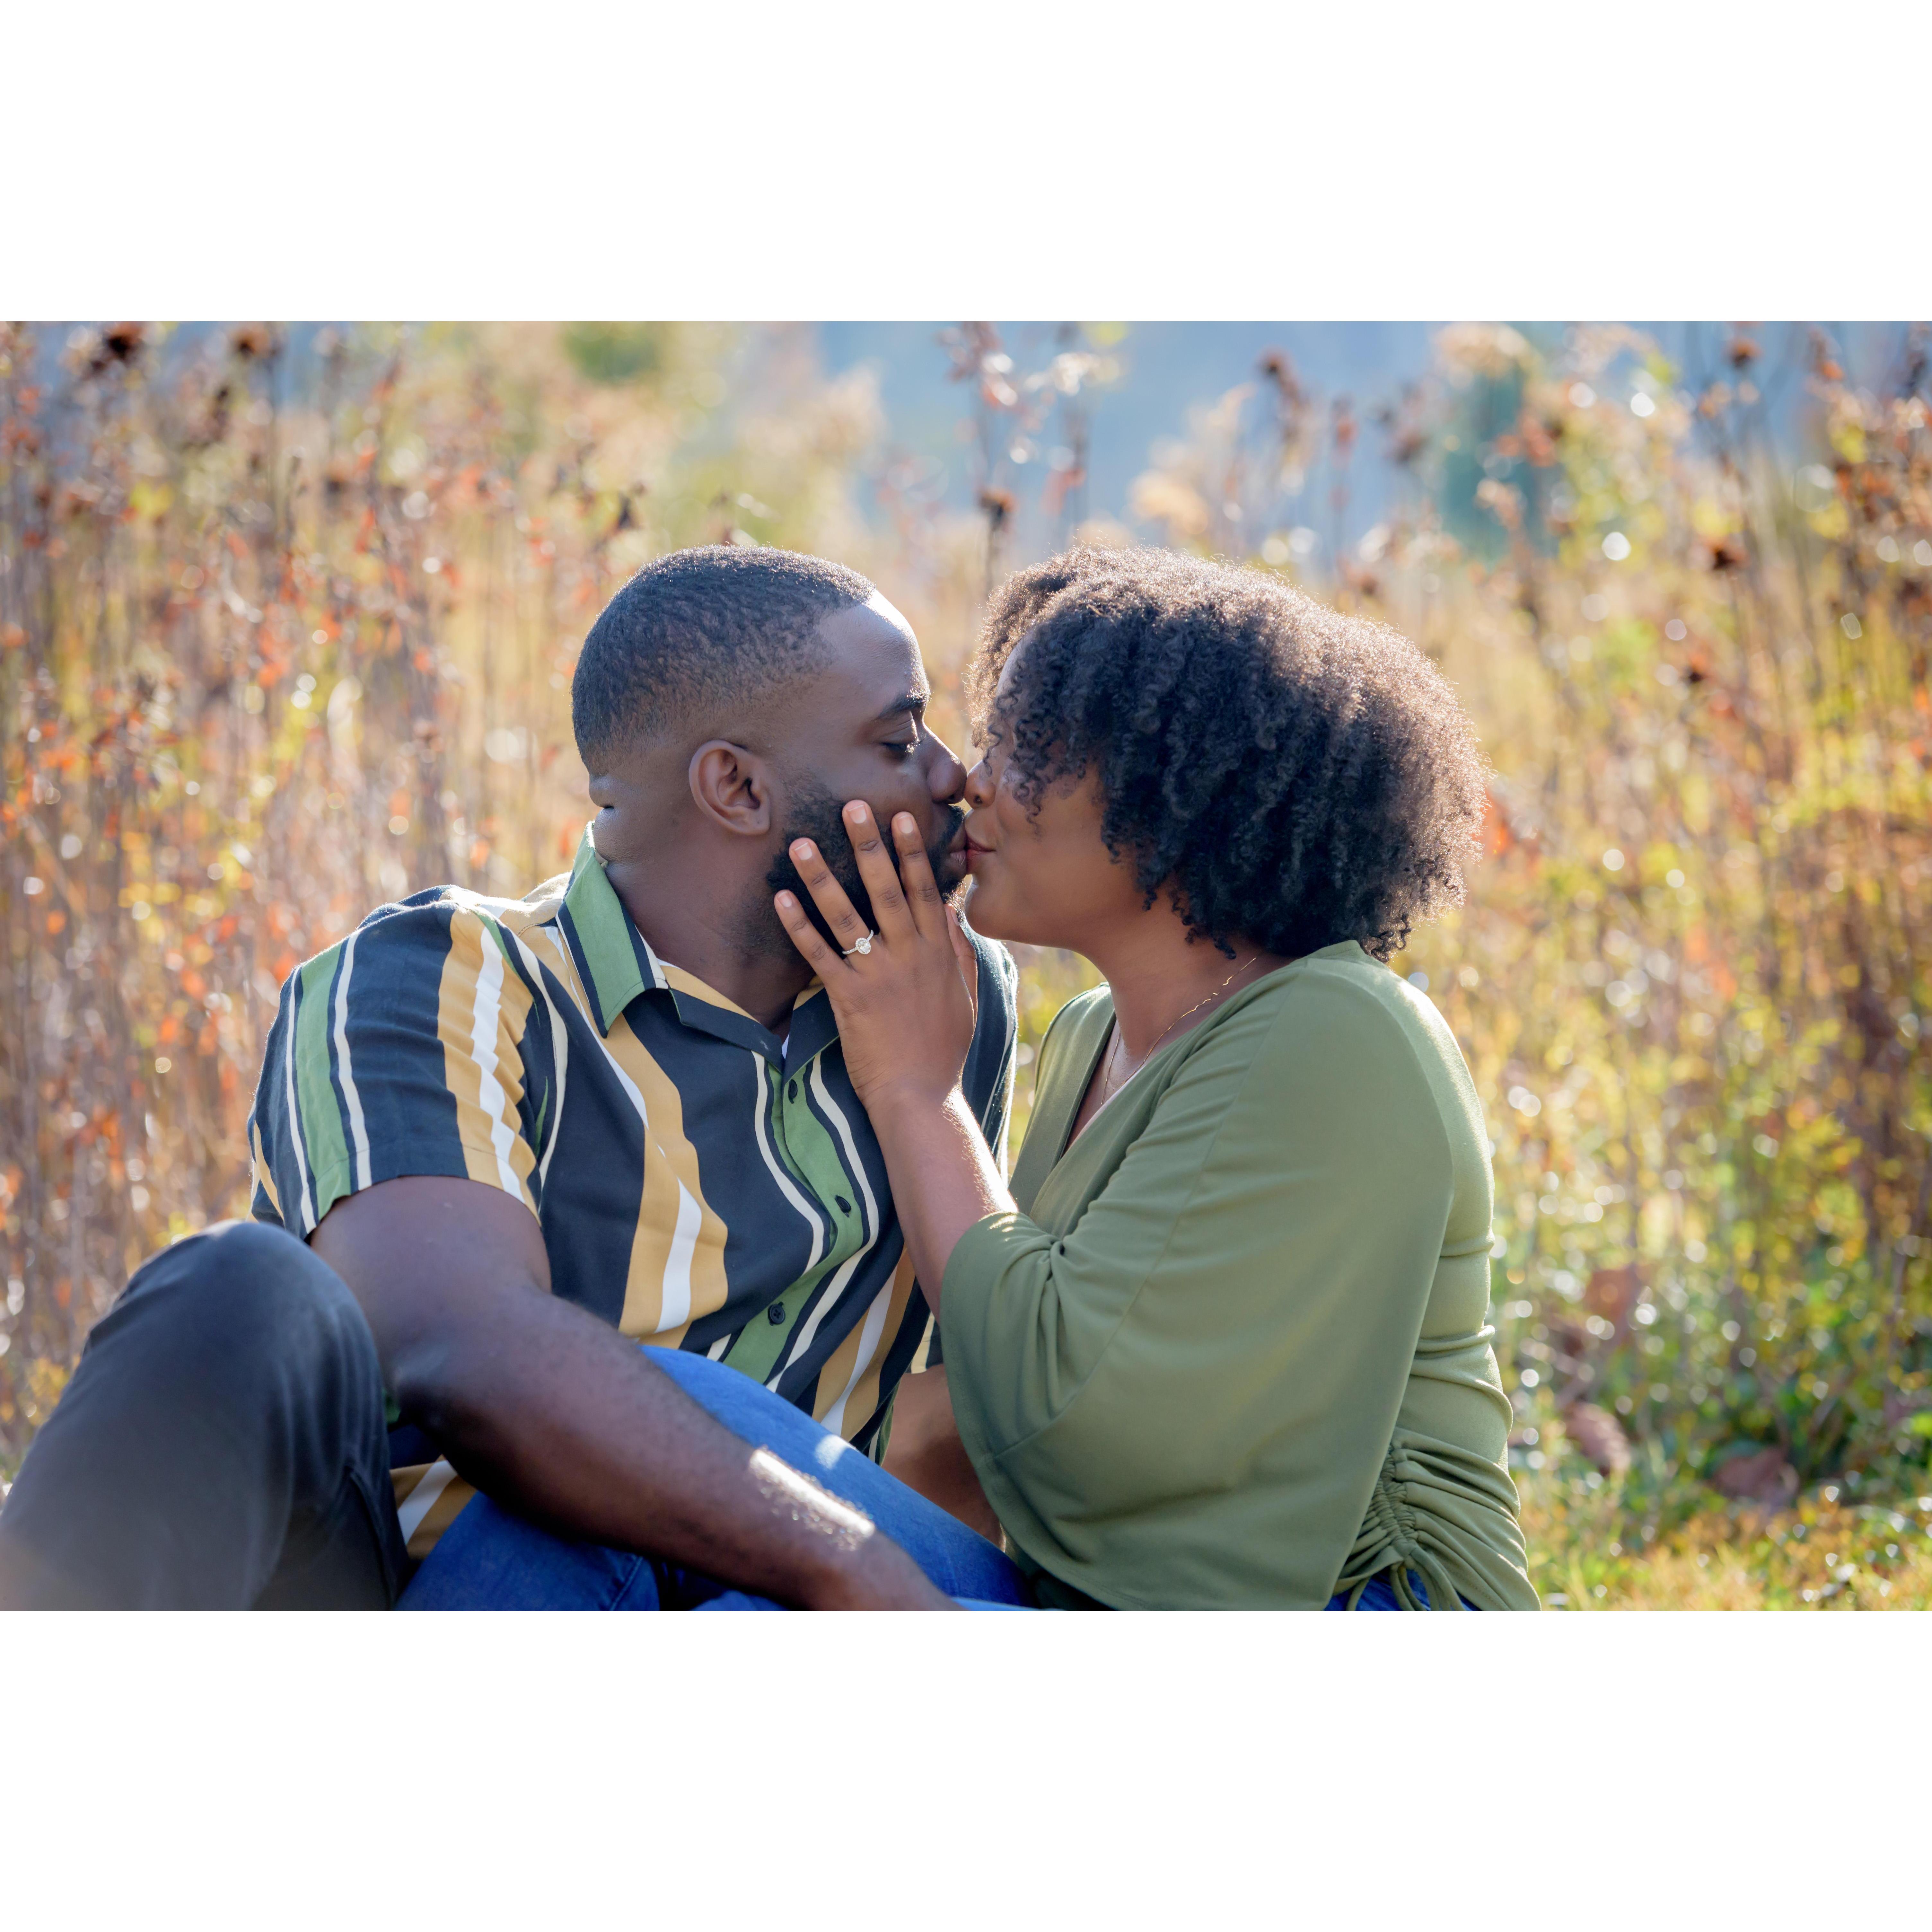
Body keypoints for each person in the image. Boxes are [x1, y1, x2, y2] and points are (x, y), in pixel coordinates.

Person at [0, 546, 1026, 1611]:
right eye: (900, 740)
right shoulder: (440, 976)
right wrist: (857, 1570)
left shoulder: (948, 1010)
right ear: (737, 786)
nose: (952, 773)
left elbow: (976, 1402)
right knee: (234, 1290)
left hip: (736, 1631)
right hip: (406, 1595)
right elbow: (460, 1347)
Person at [768, 546, 1539, 1609]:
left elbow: (1067, 1417)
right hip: (1101, 1594)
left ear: (1180, 789)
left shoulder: (1338, 1035)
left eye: (1025, 747)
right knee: (658, 1497)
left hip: (1354, 1604)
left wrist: (918, 1092)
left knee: (691, 1428)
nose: (972, 780)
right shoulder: (1089, 1035)